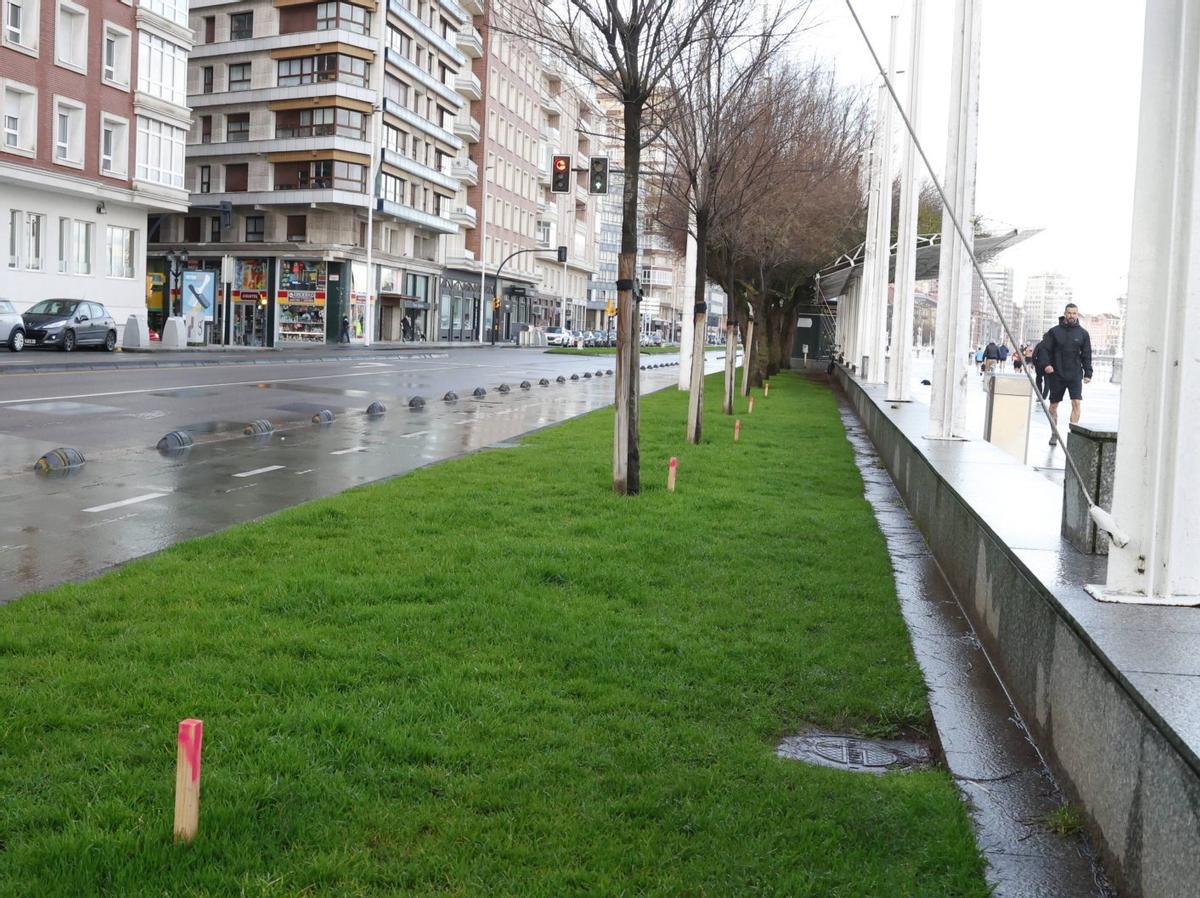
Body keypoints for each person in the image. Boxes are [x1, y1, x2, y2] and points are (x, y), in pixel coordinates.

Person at [1037, 304, 1093, 447]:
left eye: (1074, 313)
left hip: (1075, 374)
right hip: (1057, 374)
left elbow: (1087, 354)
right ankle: (1054, 433)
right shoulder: (1054, 332)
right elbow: (1044, 350)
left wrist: (1088, 373)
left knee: (1076, 402)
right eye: (1069, 313)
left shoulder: (1083, 334)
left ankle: (1073, 435)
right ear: (1065, 313)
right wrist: (1046, 365)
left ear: (1077, 315)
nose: (1071, 316)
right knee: (1053, 406)